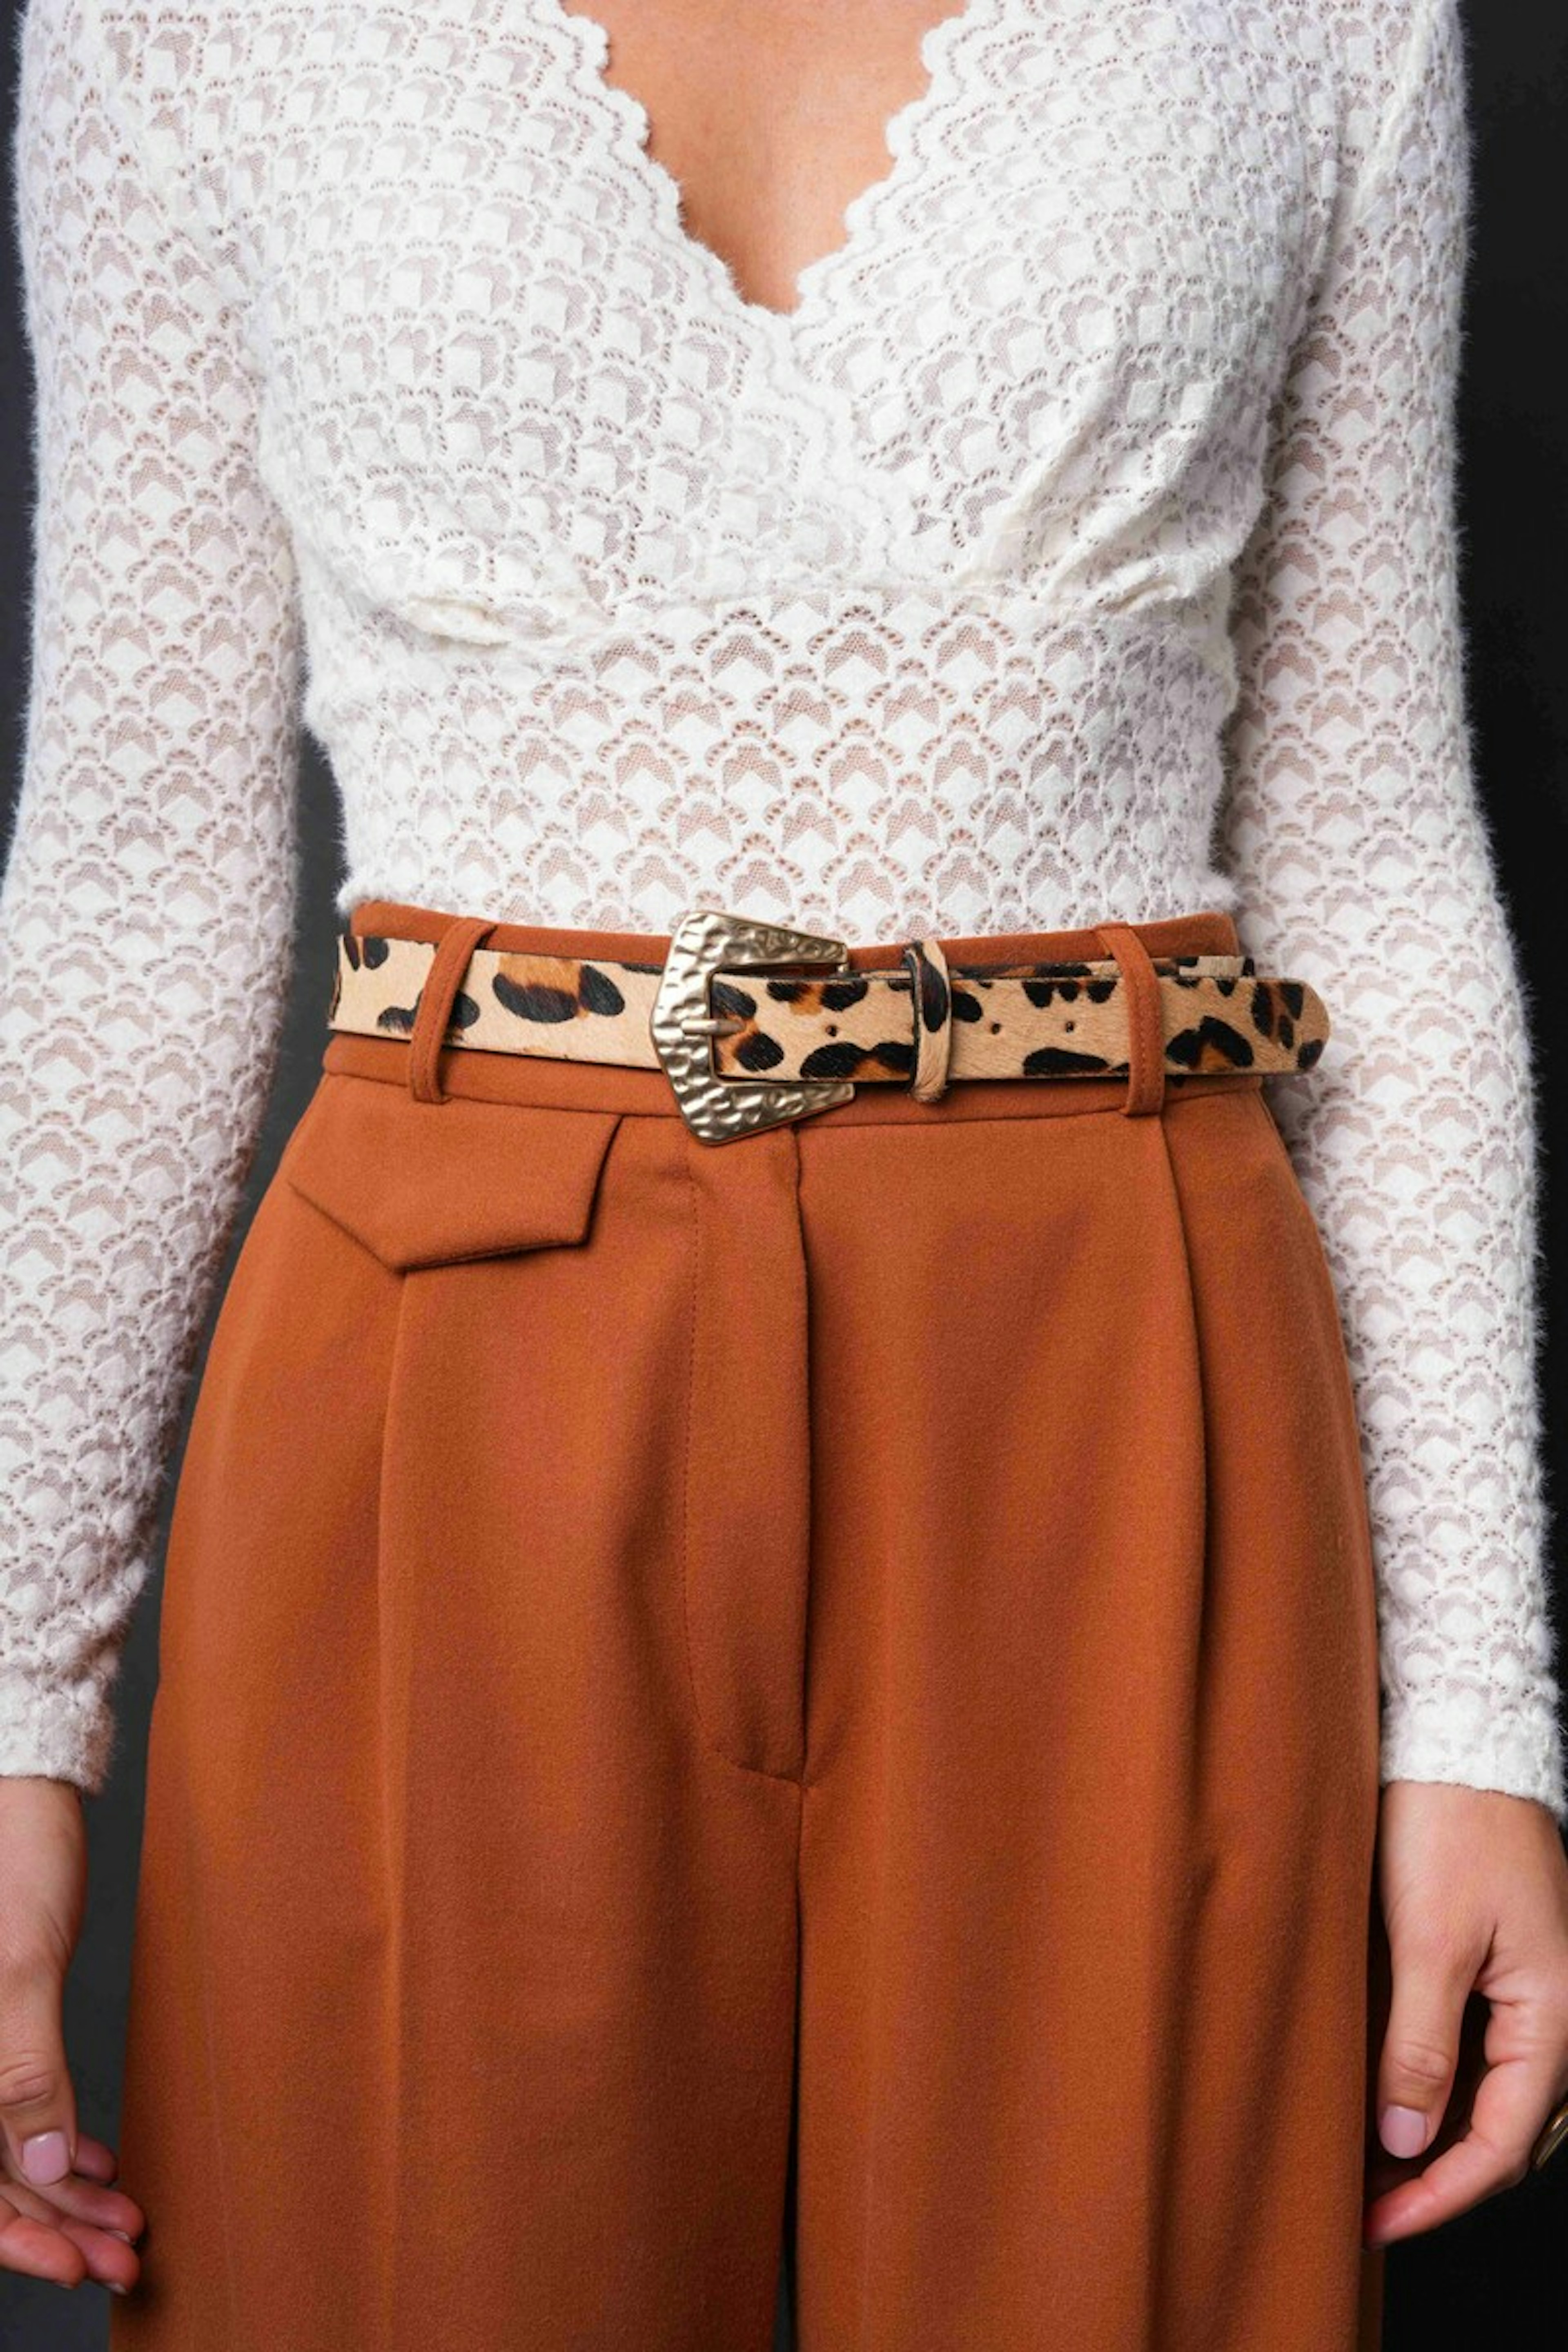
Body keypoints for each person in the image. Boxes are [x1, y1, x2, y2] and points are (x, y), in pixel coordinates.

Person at [1, 0, 1566, 2343]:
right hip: (456, 1361)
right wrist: (14, 1705)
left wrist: (1479, 1712)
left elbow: (1370, 857)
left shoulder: (1327, 21)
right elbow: (136, 882)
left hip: (1117, 1363)